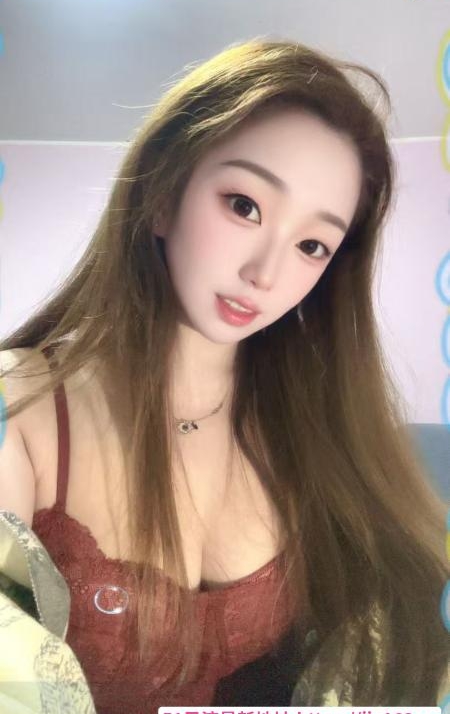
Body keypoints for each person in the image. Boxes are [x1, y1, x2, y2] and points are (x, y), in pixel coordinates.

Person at [0, 38, 448, 712]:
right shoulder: (23, 407)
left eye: (312, 245)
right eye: (244, 206)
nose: (266, 273)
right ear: (162, 195)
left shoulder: (309, 429)